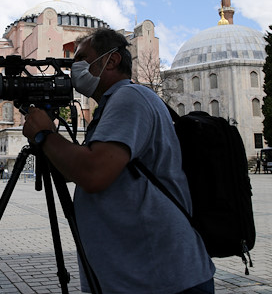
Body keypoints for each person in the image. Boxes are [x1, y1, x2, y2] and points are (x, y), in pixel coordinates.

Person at [23, 28, 215, 293]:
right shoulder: (114, 104)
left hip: (159, 279)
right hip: (138, 275)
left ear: (111, 61)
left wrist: (45, 135)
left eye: (82, 59)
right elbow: (89, 168)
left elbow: (94, 173)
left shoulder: (129, 98)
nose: (74, 68)